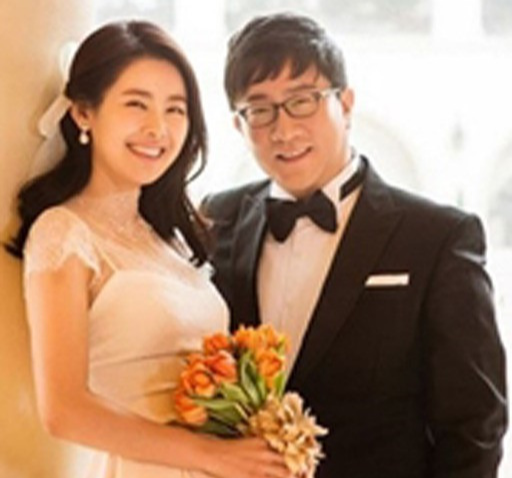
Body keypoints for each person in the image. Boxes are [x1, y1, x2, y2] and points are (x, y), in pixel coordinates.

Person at [202, 12, 508, 478]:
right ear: (238, 126)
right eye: (260, 110)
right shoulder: (217, 218)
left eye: (302, 101)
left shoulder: (437, 236)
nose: (283, 130)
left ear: (345, 104)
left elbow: (474, 426)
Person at [5, 20, 292, 478]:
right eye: (136, 104)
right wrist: (211, 455)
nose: (158, 128)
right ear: (83, 113)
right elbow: (63, 410)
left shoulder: (171, 239)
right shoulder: (63, 232)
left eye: (175, 109)